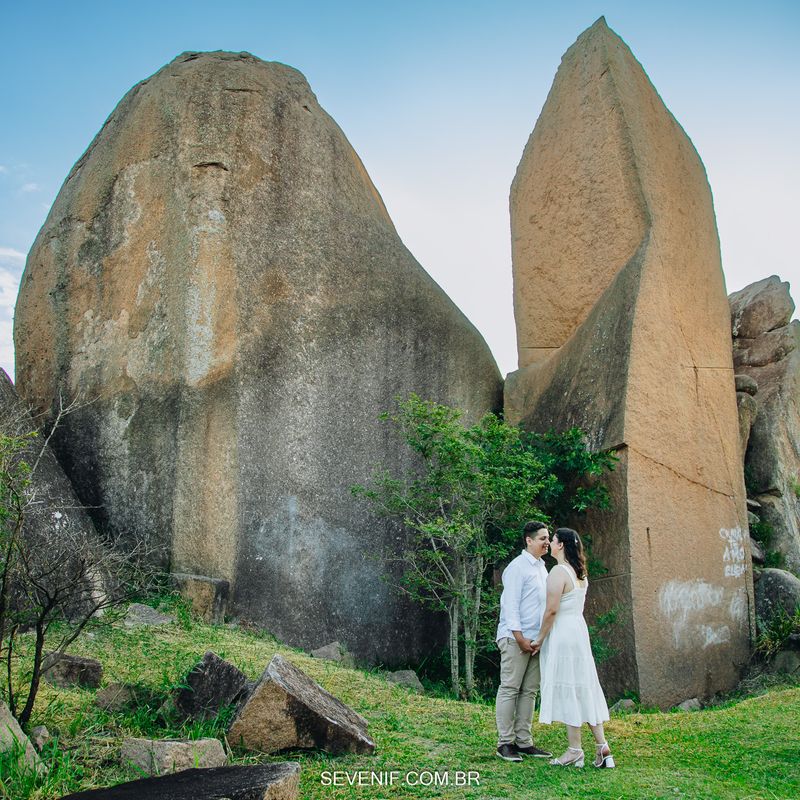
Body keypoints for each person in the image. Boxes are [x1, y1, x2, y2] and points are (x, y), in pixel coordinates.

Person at [532, 527, 615, 768]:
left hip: (564, 634)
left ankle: (574, 750)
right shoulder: (580, 573)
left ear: (561, 545)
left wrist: (539, 638)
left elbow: (551, 610)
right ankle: (602, 746)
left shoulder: (558, 572)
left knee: (570, 687)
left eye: (553, 540)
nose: (550, 543)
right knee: (583, 686)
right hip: (578, 632)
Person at [494, 521, 553, 762]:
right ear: (528, 540)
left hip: (537, 640)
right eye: (542, 538)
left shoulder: (542, 568)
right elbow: (510, 607)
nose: (547, 542)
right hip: (515, 638)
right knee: (510, 688)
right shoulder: (517, 567)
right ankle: (505, 743)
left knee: (529, 691)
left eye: (548, 538)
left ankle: (524, 741)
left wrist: (540, 638)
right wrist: (520, 639)